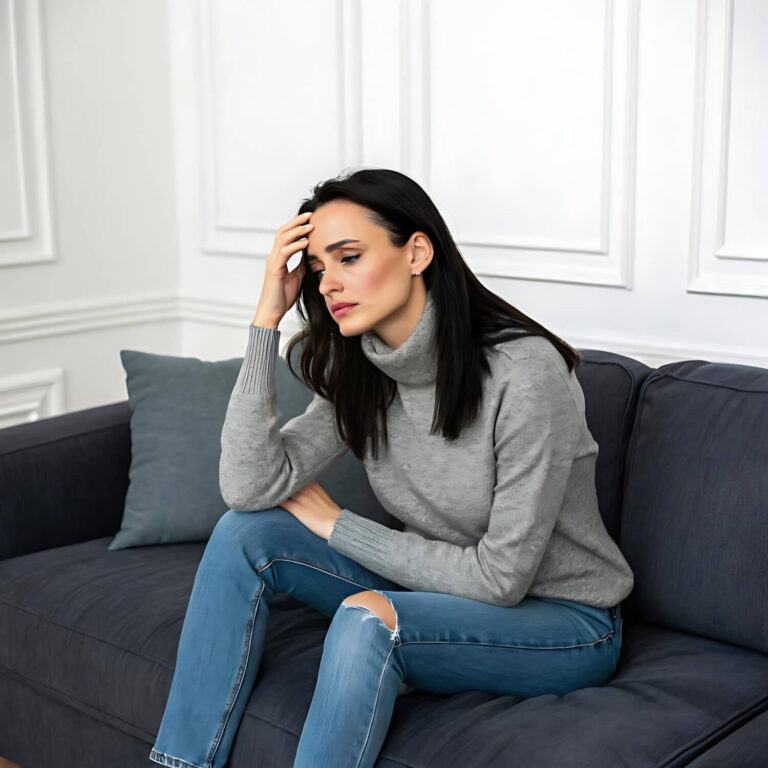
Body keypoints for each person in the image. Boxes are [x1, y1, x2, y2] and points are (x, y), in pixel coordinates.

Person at [149, 167, 634, 768]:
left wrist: (337, 524)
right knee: (243, 533)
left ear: (417, 252)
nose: (328, 284)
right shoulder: (365, 368)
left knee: (366, 620)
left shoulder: (524, 374)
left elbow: (500, 580)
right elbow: (249, 488)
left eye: (349, 257)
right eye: (319, 268)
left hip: (562, 623)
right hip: (430, 589)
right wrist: (265, 319)